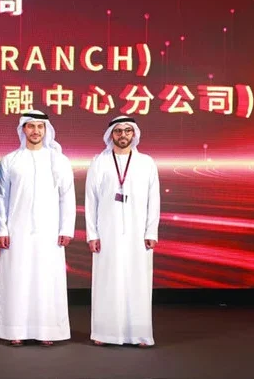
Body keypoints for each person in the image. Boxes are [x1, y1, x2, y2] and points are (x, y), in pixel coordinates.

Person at [0, 110, 76, 347]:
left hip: (50, 231)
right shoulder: (10, 160)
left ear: (46, 130)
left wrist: (66, 228)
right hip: (16, 231)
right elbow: (0, 197)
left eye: (40, 126)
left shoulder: (59, 160)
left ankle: (47, 330)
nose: (36, 131)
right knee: (16, 278)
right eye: (31, 126)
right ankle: (14, 329)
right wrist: (1, 229)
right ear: (23, 129)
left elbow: (67, 196)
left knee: (47, 279)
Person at [85, 115, 160, 347]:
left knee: (138, 282)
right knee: (107, 281)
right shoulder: (99, 162)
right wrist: (92, 234)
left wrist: (151, 232)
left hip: (139, 233)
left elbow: (154, 199)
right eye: (118, 131)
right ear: (111, 135)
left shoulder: (146, 163)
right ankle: (105, 333)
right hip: (107, 232)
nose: (123, 135)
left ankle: (140, 334)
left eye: (128, 131)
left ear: (134, 134)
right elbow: (91, 200)